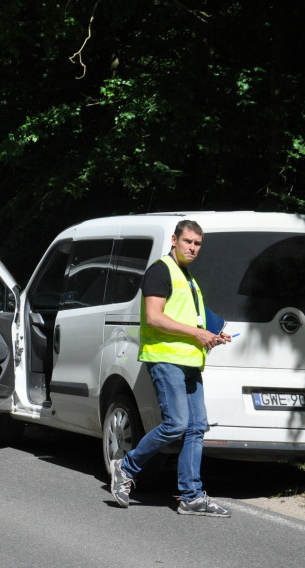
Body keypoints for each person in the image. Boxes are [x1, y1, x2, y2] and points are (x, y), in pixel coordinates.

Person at [110, 219, 232, 516]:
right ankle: (125, 468)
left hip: (189, 360)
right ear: (174, 240)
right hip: (166, 359)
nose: (193, 247)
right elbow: (154, 317)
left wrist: (211, 334)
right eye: (188, 241)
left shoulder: (187, 277)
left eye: (197, 244)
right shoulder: (160, 271)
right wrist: (196, 334)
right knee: (176, 424)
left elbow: (190, 318)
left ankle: (190, 496)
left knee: (196, 427)